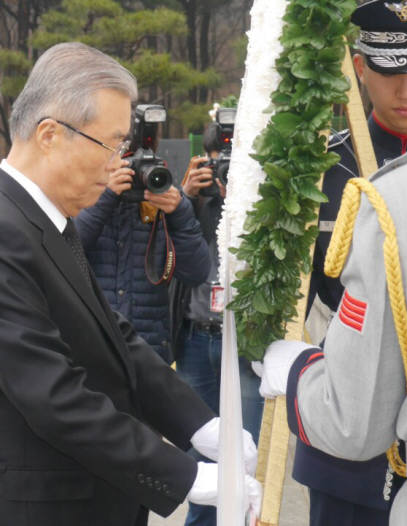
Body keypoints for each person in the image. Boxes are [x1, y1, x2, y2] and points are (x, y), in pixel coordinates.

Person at [0, 42, 260, 526]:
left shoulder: (42, 218)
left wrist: (200, 424)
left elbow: (113, 334)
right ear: (49, 135)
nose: (118, 165)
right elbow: (53, 397)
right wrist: (188, 477)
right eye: (112, 145)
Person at [282, 1, 407, 524]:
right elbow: (296, 300)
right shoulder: (318, 169)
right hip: (345, 449)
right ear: (358, 68)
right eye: (388, 72)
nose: (406, 91)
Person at [259, 140, 407, 526]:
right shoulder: (323, 159)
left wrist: (297, 369)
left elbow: (352, 422)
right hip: (344, 478)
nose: (406, 90)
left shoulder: (397, 195)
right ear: (361, 74)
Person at [170, 121, 265, 526]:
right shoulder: (191, 202)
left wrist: (243, 195)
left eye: (229, 164)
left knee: (243, 451)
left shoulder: (255, 196)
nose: (221, 172)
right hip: (195, 339)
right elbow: (168, 250)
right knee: (199, 455)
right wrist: (185, 197)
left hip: (242, 341)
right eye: (215, 165)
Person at [74, 122, 210, 363]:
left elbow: (196, 273)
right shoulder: (84, 193)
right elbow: (67, 251)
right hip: (96, 346)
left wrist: (180, 213)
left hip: (149, 352)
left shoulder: (162, 200)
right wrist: (106, 198)